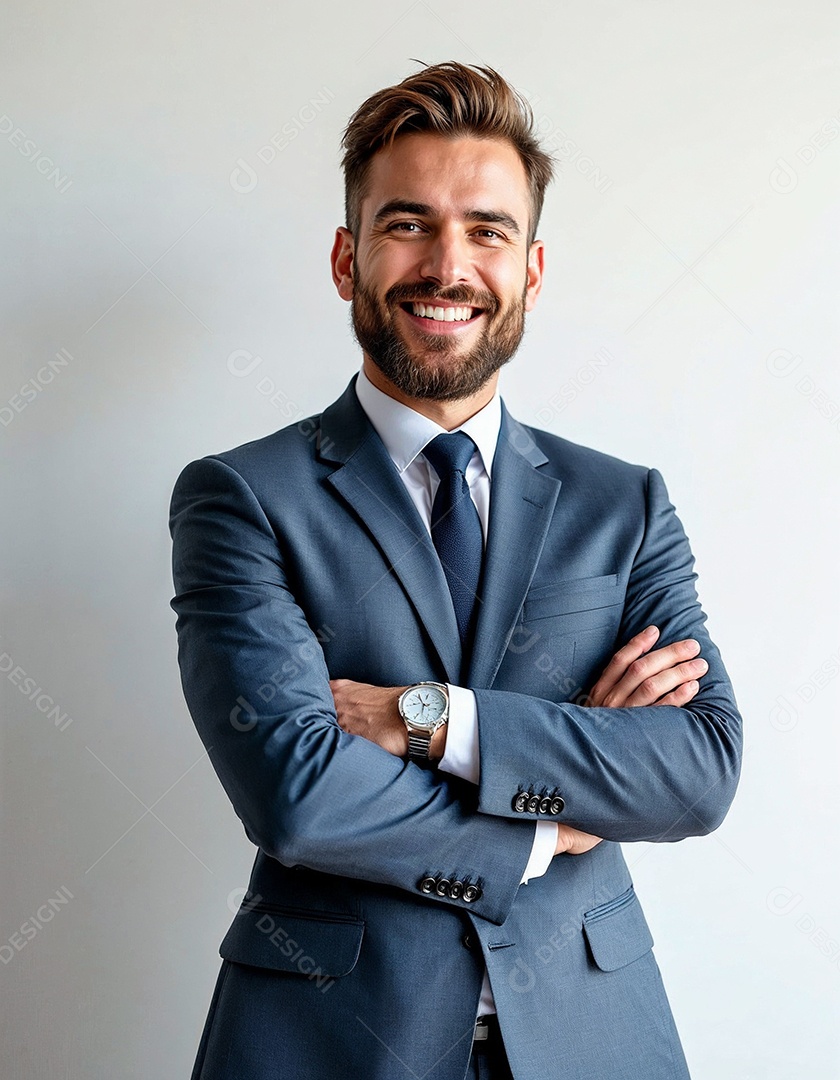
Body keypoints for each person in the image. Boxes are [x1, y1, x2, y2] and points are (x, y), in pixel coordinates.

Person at [169, 60, 742, 1080]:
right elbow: (299, 792)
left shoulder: (624, 504)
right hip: (328, 1044)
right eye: (407, 224)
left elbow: (696, 769)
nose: (449, 264)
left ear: (531, 268)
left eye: (487, 229)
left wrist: (428, 719)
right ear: (347, 260)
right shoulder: (241, 498)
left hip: (594, 1037)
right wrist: (548, 826)